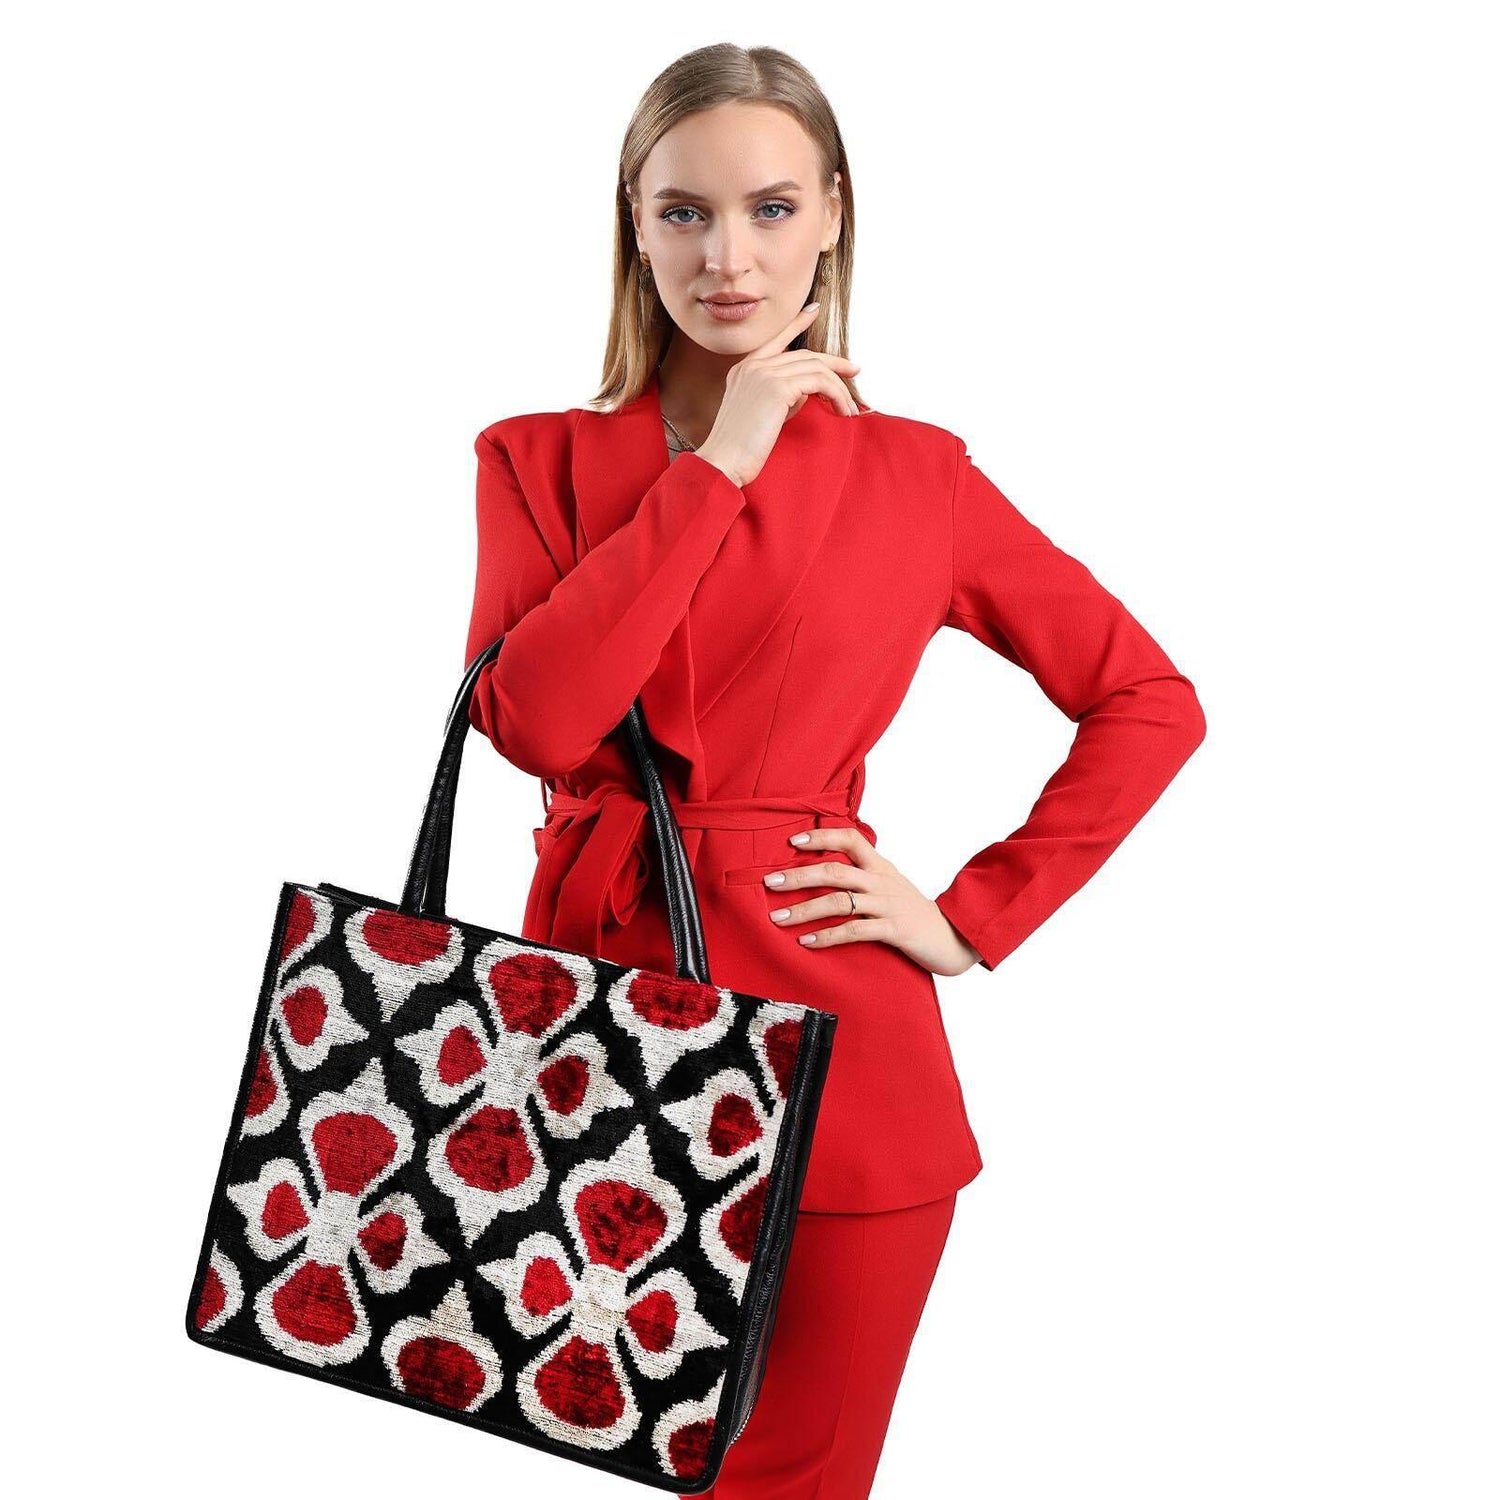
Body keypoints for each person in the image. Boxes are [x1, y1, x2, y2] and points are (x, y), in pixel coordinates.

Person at [462, 43, 1206, 1500]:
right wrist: (718, 465)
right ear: (632, 225)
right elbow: (540, 726)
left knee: (799, 1484)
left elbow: (1147, 699)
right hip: (587, 1039)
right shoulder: (532, 459)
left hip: (842, 1061)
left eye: (770, 209)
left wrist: (972, 916)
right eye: (684, 212)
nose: (727, 258)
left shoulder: (918, 475)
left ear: (834, 216)